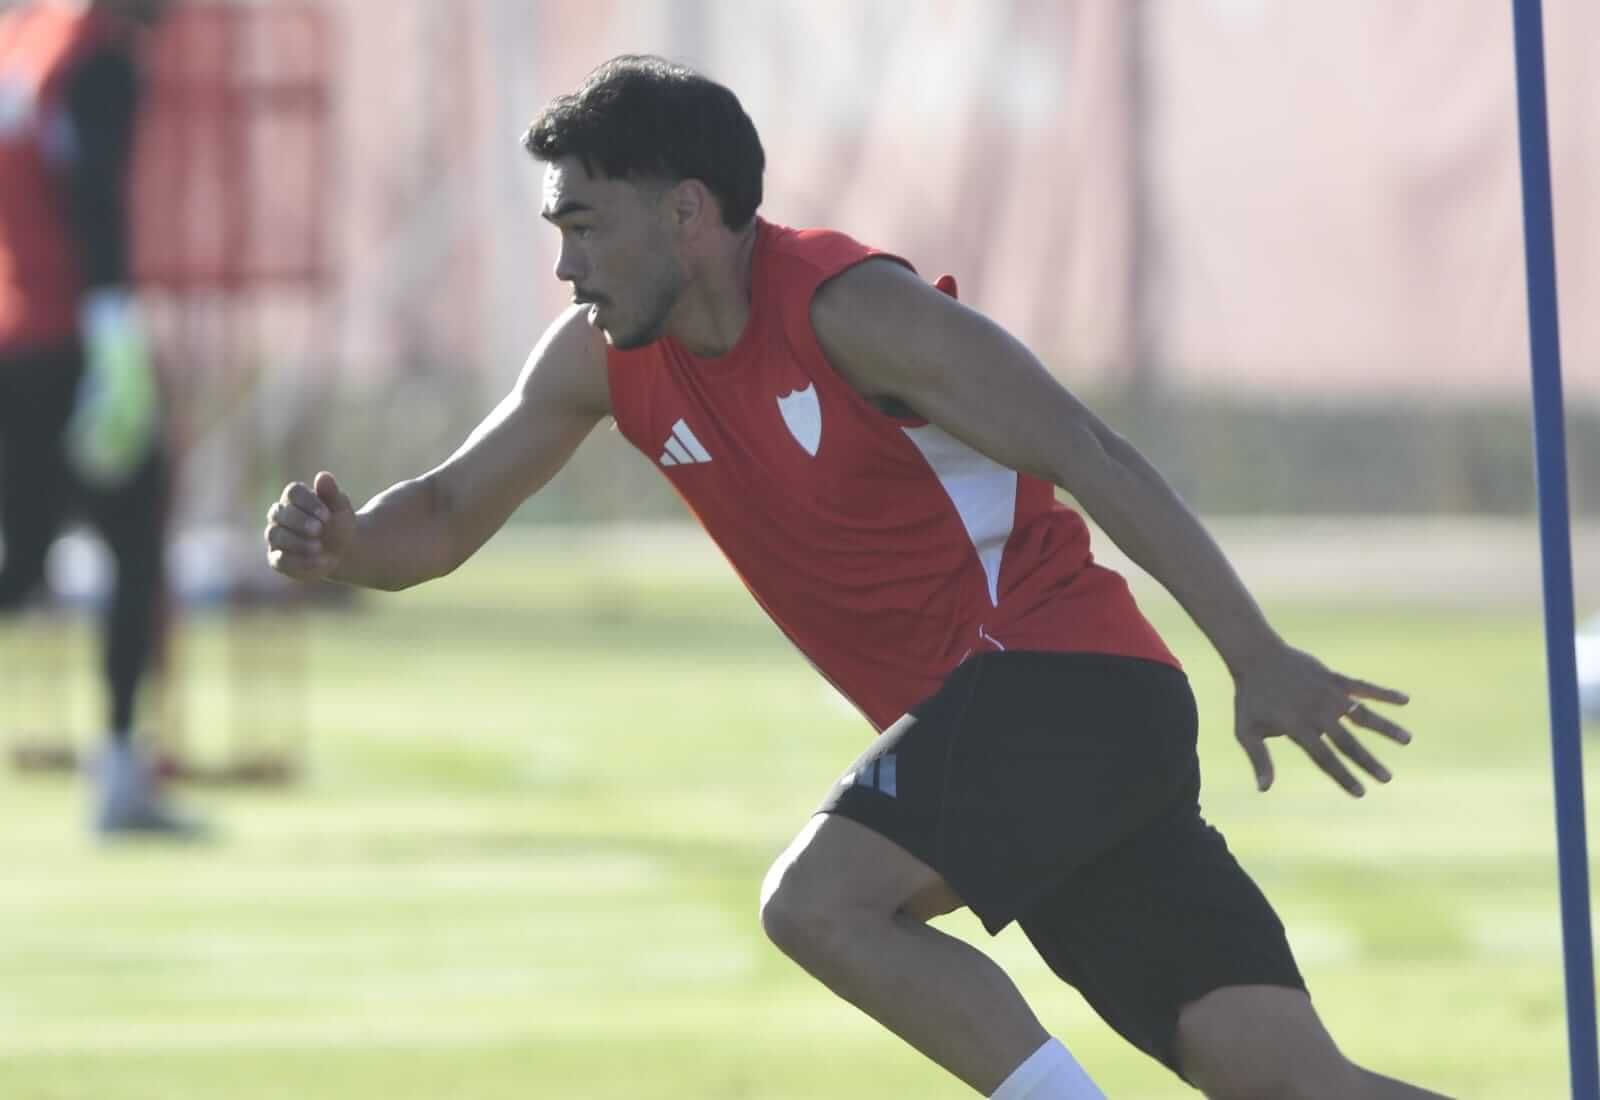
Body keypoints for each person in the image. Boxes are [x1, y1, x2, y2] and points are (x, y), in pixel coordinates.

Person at [264, 55, 1452, 1099]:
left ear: (684, 211)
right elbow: (447, 511)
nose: (566, 263)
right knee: (1281, 1076)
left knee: (818, 902)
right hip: (1024, 739)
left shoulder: (855, 311)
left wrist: (1255, 654)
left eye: (583, 224)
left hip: (1066, 685)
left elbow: (1094, 455)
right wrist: (348, 545)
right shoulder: (600, 361)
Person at [0, 0, 196, 835]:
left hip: (18, 334)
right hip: (74, 338)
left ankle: (121, 774)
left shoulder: (28, 40)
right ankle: (119, 775)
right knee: (134, 542)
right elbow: (94, 197)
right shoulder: (97, 55)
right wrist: (116, 331)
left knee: (28, 560)